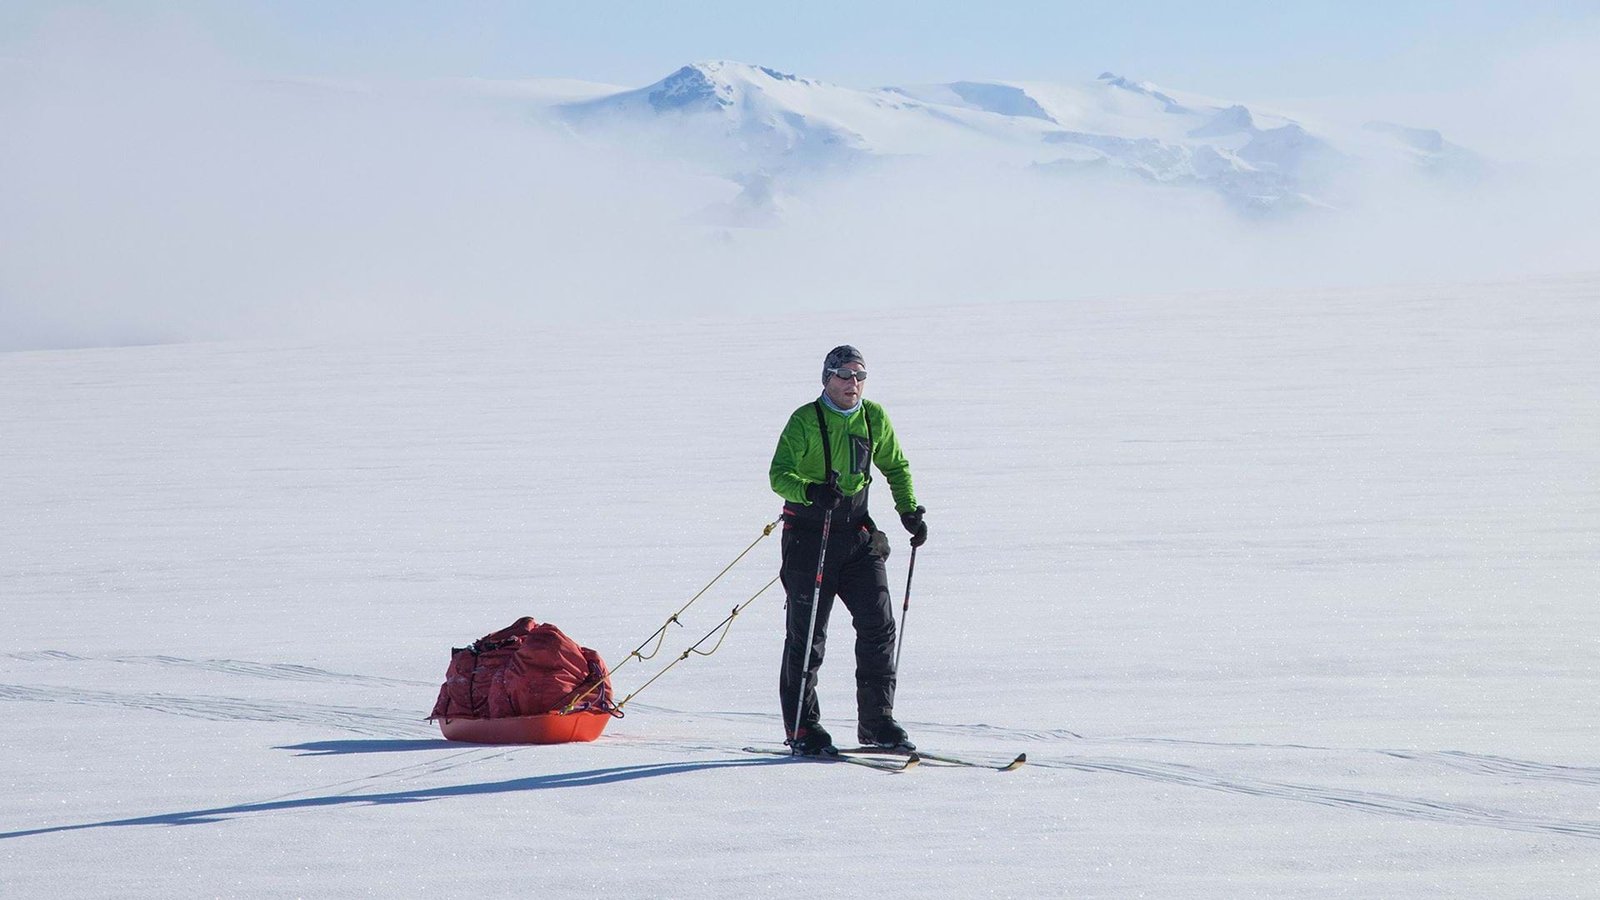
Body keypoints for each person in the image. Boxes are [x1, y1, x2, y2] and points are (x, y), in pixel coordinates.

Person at [769, 345, 928, 755]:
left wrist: (909, 511)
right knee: (807, 637)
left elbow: (895, 466)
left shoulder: (873, 416)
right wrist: (810, 491)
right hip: (809, 537)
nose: (852, 383)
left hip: (857, 536)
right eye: (843, 375)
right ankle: (803, 729)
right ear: (827, 379)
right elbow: (778, 475)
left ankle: (878, 723)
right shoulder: (805, 419)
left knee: (878, 626)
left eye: (859, 375)